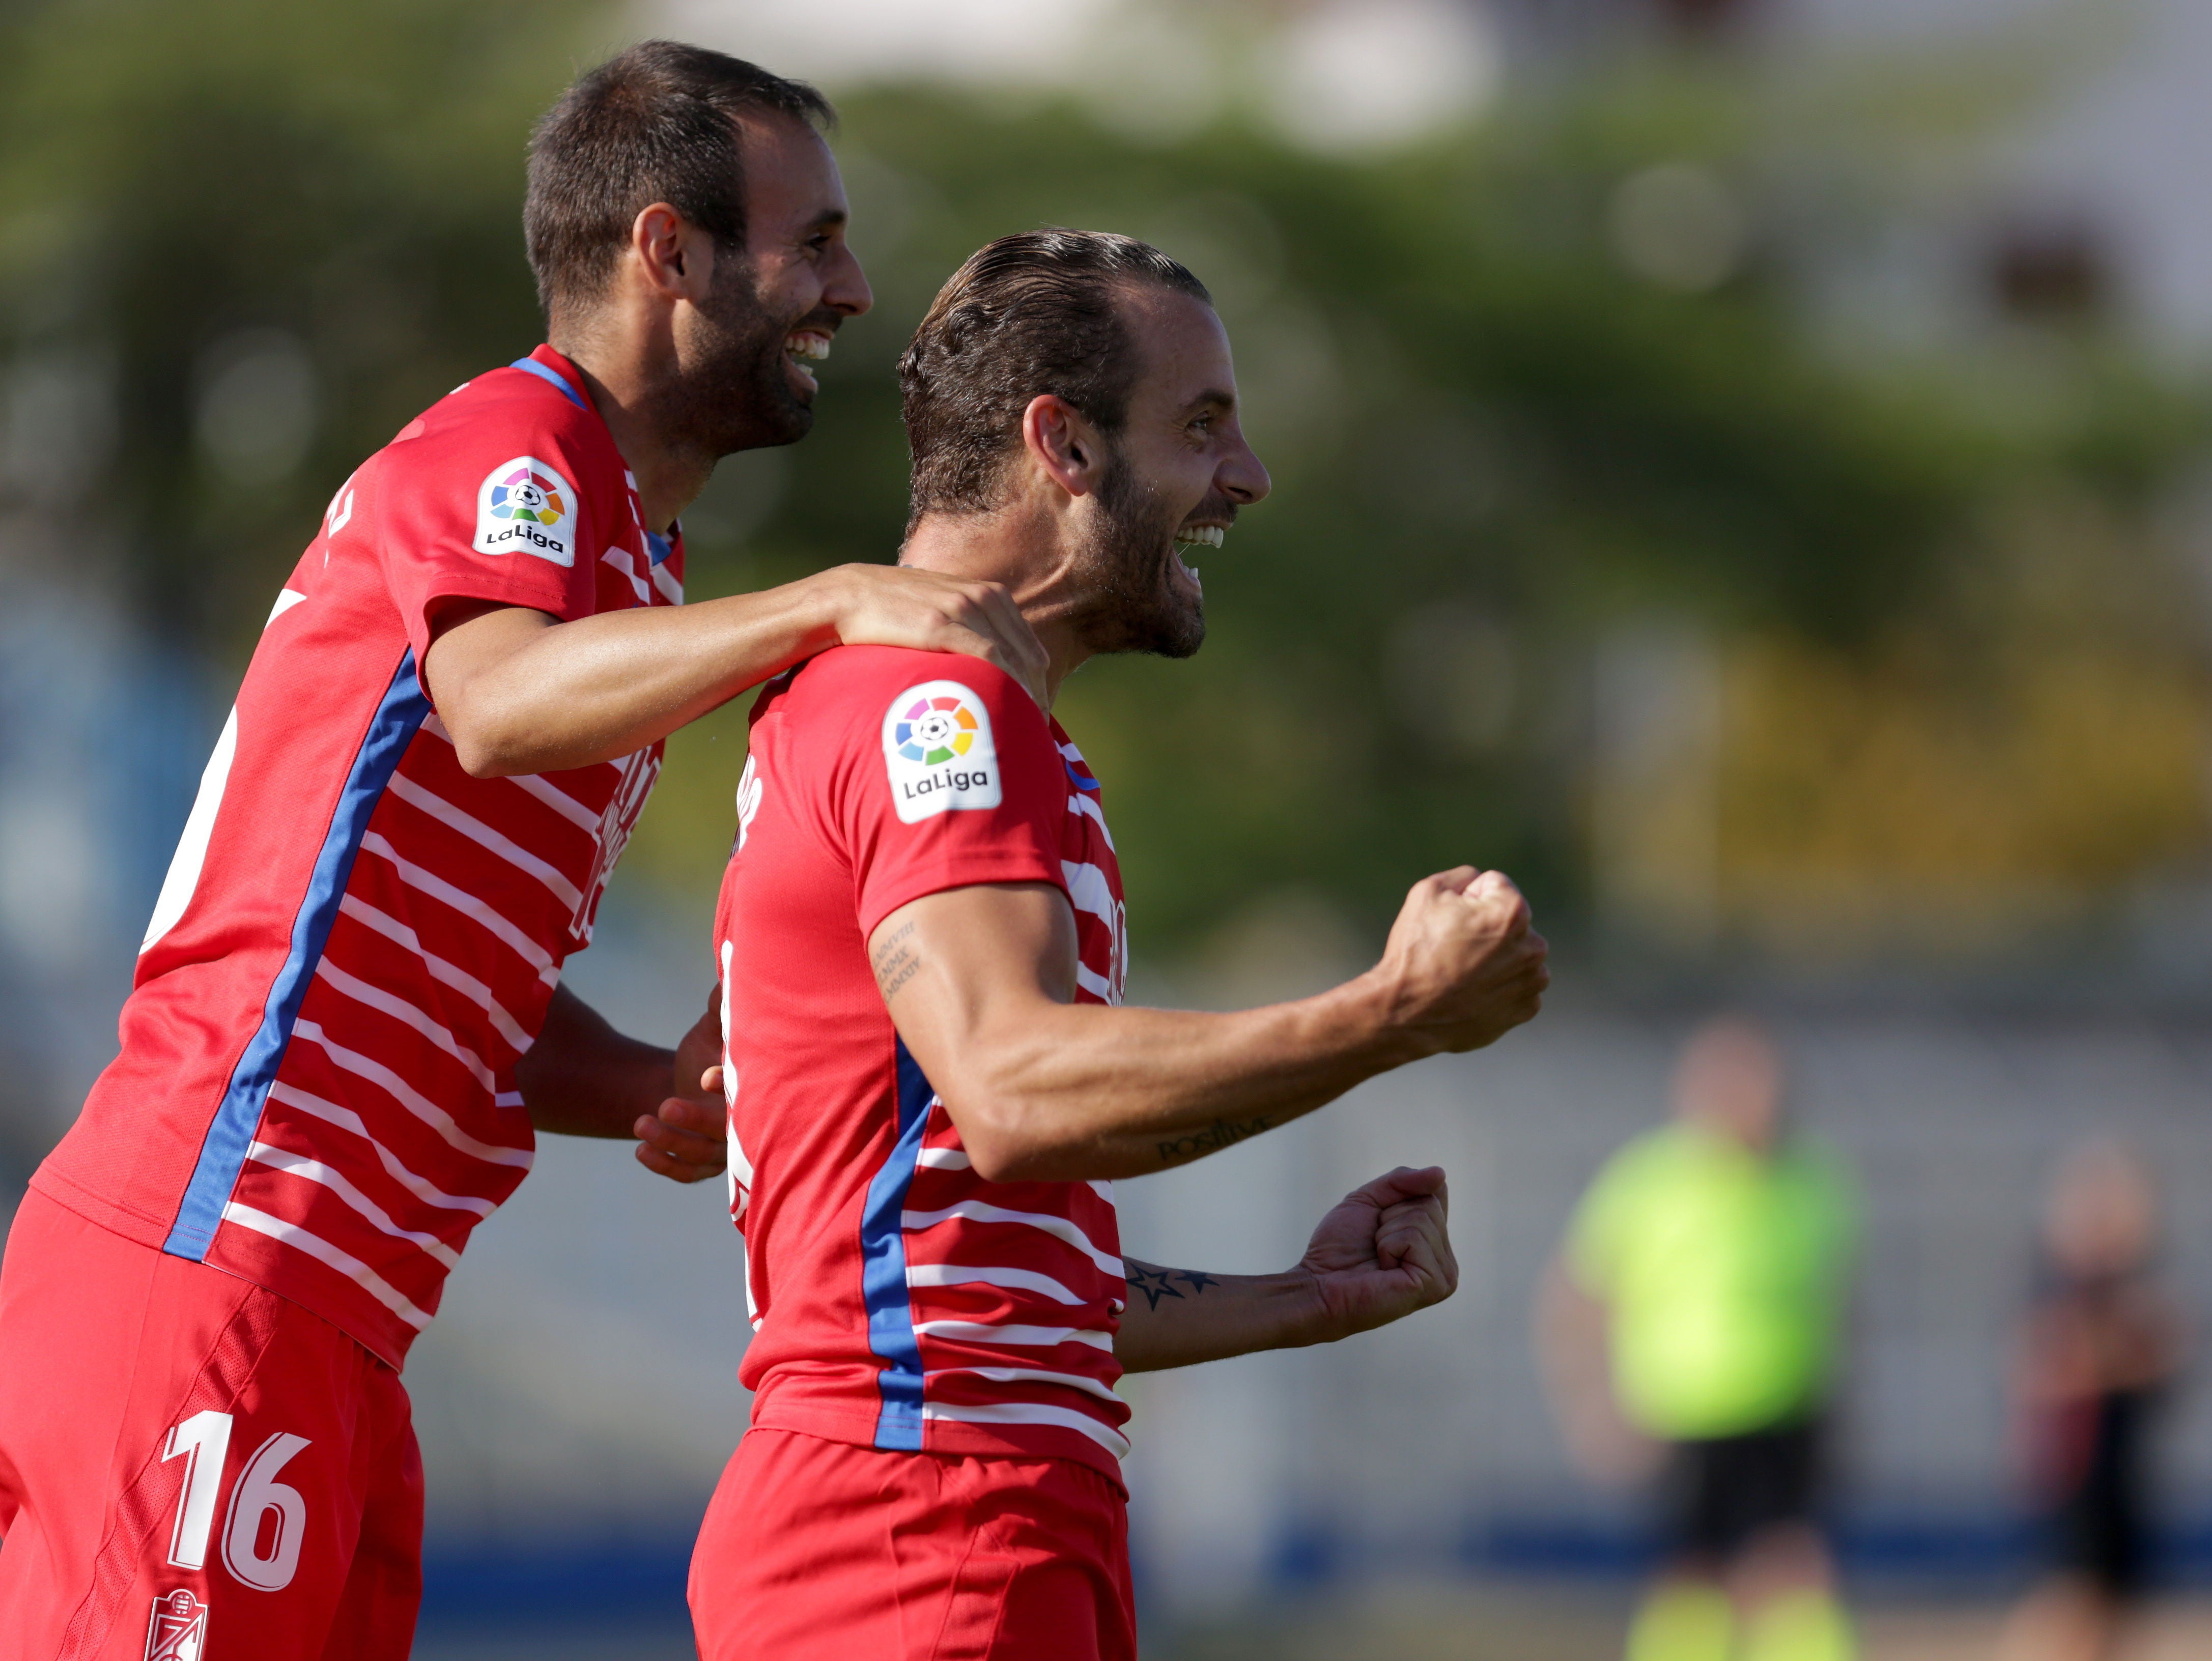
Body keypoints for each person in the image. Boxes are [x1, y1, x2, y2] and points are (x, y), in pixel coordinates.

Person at [0, 42, 1046, 1661]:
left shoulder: (631, 569)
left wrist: (661, 1085)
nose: (849, 286)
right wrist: (832, 599)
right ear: (667, 252)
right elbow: (492, 707)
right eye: (814, 240)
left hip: (332, 1318)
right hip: (224, 1261)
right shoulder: (517, 448)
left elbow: (458, 981)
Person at [685, 227, 1551, 1661]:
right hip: (916, 1528)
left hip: (965, 1508)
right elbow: (1018, 1098)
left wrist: (1304, 1301)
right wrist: (1393, 1013)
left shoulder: (962, 727)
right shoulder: (933, 712)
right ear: (1063, 447)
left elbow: (971, 1268)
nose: (1249, 476)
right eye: (1203, 426)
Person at [1537, 1017, 1858, 1661]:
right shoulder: (1652, 1182)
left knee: (1792, 1571)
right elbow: (1574, 1300)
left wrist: (1841, 1410)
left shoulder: (1813, 1181)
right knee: (1692, 1581)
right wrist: (1593, 1408)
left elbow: (1836, 1307)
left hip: (1786, 1411)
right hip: (1684, 1414)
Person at [1997, 1139, 2184, 1661]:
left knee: (2113, 1614)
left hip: (2122, 1478)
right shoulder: (2058, 1289)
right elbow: (2052, 1370)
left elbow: (2165, 1361)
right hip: (2074, 1478)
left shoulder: (2136, 1291)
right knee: (2066, 1607)